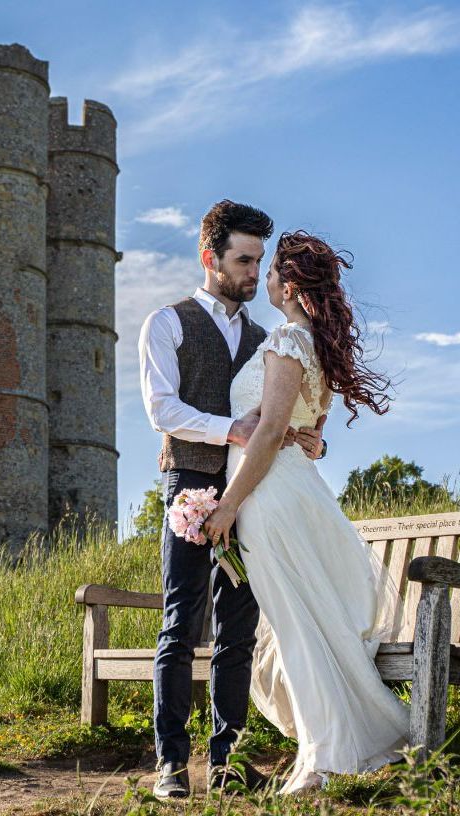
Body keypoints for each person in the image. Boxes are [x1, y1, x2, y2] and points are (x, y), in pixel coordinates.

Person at [204, 229, 409, 794]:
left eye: (270, 271)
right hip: (293, 487)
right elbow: (308, 434)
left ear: (288, 284)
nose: (263, 277)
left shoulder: (289, 339)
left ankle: (322, 760)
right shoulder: (311, 344)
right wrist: (308, 440)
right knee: (300, 622)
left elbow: (270, 432)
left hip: (270, 496)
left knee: (296, 626)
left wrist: (227, 505)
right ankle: (328, 746)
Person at [138, 201, 326, 800]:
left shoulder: (267, 338)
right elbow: (161, 409)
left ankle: (227, 761)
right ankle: (171, 764)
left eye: (258, 261)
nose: (254, 272)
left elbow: (279, 410)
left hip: (254, 497)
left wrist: (303, 434)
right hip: (190, 486)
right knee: (179, 627)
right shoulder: (166, 323)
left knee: (238, 633)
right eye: (243, 261)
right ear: (209, 258)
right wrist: (231, 430)